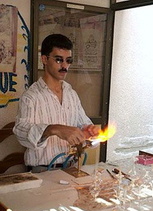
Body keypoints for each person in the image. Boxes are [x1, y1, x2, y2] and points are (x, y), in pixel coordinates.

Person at [13, 34, 99, 172]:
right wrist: (53, 129)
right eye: (59, 60)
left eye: (68, 60)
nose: (64, 66)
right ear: (44, 59)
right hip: (42, 172)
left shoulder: (71, 94)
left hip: (71, 168)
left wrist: (89, 130)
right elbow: (20, 131)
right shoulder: (31, 97)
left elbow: (82, 123)